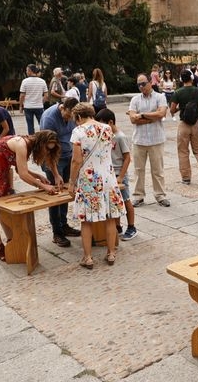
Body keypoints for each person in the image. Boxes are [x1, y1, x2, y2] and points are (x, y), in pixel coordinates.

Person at [0, 131, 62, 260]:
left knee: (3, 209)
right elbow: (23, 174)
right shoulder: (22, 144)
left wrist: (37, 176)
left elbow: (20, 167)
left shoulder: (28, 143)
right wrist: (43, 186)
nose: (47, 152)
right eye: (47, 149)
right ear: (41, 144)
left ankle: (11, 242)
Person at [67, 103, 125, 269]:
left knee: (86, 220)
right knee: (110, 217)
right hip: (108, 177)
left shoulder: (78, 131)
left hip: (89, 179)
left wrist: (71, 182)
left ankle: (88, 258)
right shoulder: (107, 128)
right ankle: (111, 253)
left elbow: (76, 160)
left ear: (78, 117)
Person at [40, 97, 80, 247]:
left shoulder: (72, 115)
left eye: (71, 117)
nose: (69, 119)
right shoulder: (49, 119)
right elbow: (47, 151)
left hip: (68, 156)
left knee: (66, 193)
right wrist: (56, 174)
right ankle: (57, 232)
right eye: (68, 115)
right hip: (53, 160)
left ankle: (64, 225)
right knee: (55, 195)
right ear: (62, 108)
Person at [128, 74, 170, 207]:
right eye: (138, 84)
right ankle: (138, 196)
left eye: (143, 83)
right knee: (138, 170)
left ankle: (160, 195)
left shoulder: (160, 97)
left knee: (158, 170)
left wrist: (141, 115)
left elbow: (161, 114)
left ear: (150, 82)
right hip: (139, 140)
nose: (141, 87)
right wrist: (152, 117)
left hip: (156, 139)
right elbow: (133, 119)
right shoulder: (135, 99)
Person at [97, 108, 137, 241]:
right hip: (109, 174)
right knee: (113, 201)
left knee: (125, 200)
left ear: (110, 122)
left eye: (102, 124)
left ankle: (131, 227)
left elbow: (127, 158)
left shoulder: (120, 137)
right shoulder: (106, 136)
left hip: (120, 174)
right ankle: (117, 226)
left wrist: (121, 176)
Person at [170, 69, 198, 185]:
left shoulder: (178, 92)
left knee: (183, 151)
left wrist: (180, 108)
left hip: (183, 125)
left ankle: (186, 178)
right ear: (192, 79)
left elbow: (172, 110)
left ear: (181, 80)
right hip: (196, 124)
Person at [19, 64, 49, 135]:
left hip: (28, 106)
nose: (26, 72)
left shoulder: (25, 81)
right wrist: (41, 102)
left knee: (30, 125)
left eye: (27, 70)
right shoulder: (42, 81)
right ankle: (43, 137)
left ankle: (31, 139)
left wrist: (20, 106)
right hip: (39, 106)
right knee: (42, 124)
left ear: (30, 71)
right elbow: (46, 95)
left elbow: (22, 95)